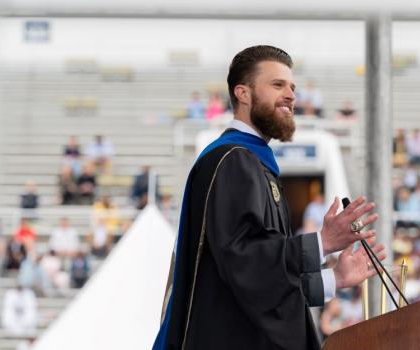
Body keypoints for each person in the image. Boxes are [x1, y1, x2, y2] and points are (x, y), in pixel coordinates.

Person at [153, 45, 384, 350]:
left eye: (292, 87)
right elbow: (245, 265)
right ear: (243, 93)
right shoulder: (233, 161)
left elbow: (257, 286)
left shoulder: (252, 163)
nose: (290, 95)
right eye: (277, 85)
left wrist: (334, 279)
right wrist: (321, 243)